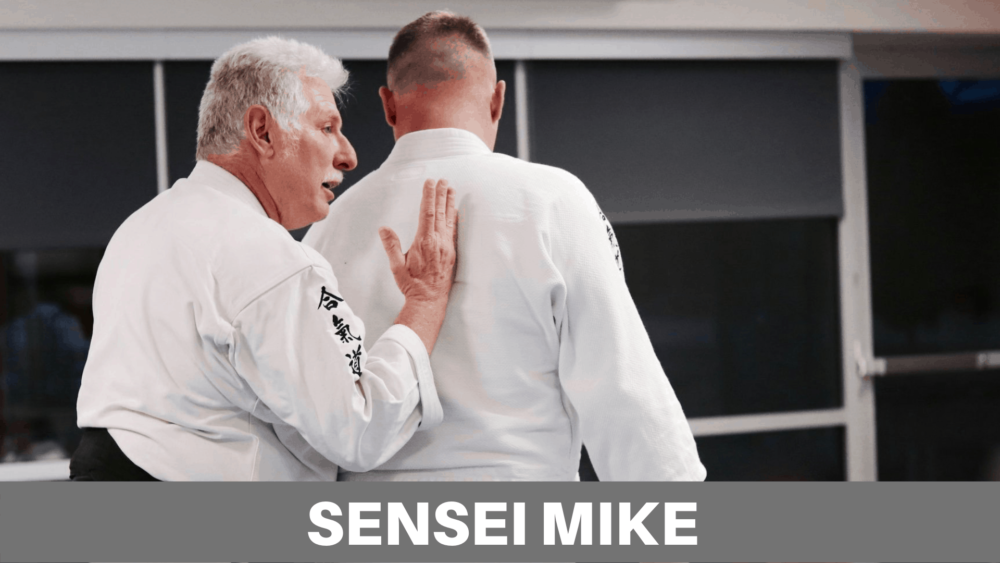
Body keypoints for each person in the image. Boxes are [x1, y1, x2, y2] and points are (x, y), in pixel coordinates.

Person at [304, 12, 706, 481]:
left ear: (388, 106)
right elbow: (621, 387)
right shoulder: (553, 202)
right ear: (497, 101)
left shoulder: (327, 230)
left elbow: (315, 420)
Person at [71, 37, 458, 481]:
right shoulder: (265, 256)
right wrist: (423, 304)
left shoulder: (140, 229)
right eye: (327, 128)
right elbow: (359, 430)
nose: (349, 155)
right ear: (263, 131)